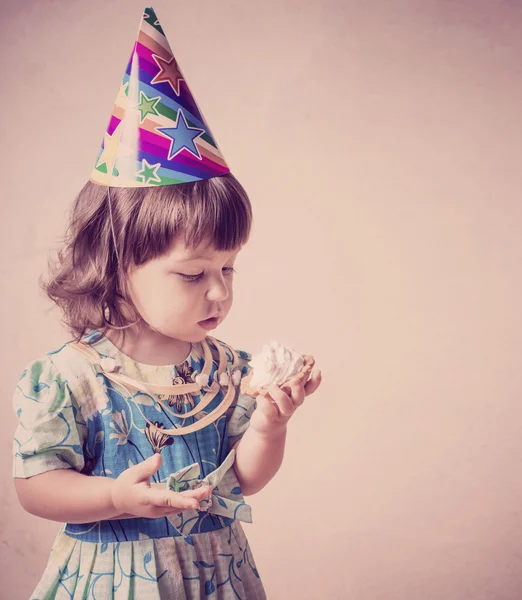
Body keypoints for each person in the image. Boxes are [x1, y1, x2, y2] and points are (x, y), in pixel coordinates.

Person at [12, 7, 322, 599]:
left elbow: (246, 481)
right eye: (192, 274)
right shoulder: (71, 377)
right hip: (115, 578)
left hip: (213, 571)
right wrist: (113, 496)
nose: (220, 291)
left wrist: (270, 424)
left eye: (228, 268)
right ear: (117, 265)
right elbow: (35, 486)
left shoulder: (225, 370)